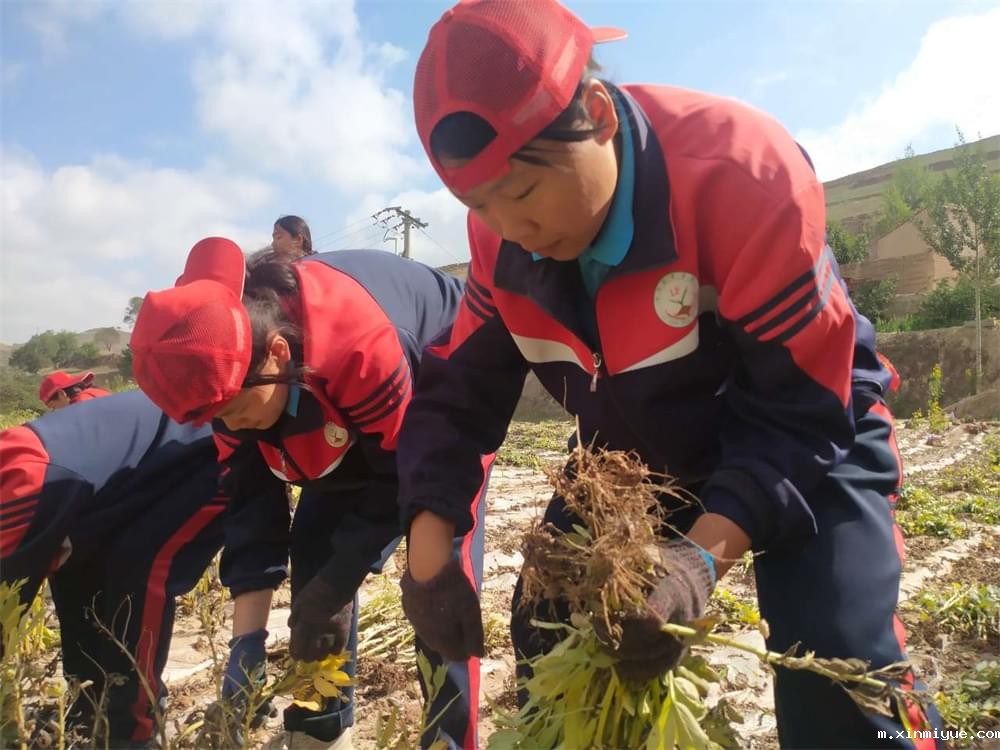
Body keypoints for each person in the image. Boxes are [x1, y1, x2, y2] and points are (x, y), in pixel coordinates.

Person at [395, 2, 943, 748]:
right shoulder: (501, 240)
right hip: (641, 462)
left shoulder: (742, 178)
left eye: (521, 193)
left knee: (837, 665)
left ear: (596, 116)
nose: (510, 227)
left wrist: (697, 562)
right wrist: (428, 556)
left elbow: (799, 411)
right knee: (549, 624)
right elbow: (459, 397)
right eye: (477, 205)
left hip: (808, 434)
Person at [129, 238, 487, 750]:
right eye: (218, 417)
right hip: (333, 397)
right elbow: (253, 505)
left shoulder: (355, 341)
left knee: (437, 574)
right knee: (317, 547)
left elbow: (402, 475)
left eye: (235, 408)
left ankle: (452, 740)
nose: (231, 424)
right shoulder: (229, 376)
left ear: (276, 353)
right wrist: (245, 641)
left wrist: (339, 583)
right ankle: (321, 725)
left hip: (439, 374)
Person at [0, 391, 226, 749]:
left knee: (141, 571)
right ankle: (89, 711)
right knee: (76, 571)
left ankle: (132, 731)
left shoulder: (18, 485)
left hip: (209, 457)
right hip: (117, 478)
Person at [38, 370, 111, 410]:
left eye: (53, 407)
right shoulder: (99, 391)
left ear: (61, 394)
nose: (55, 412)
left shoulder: (79, 406)